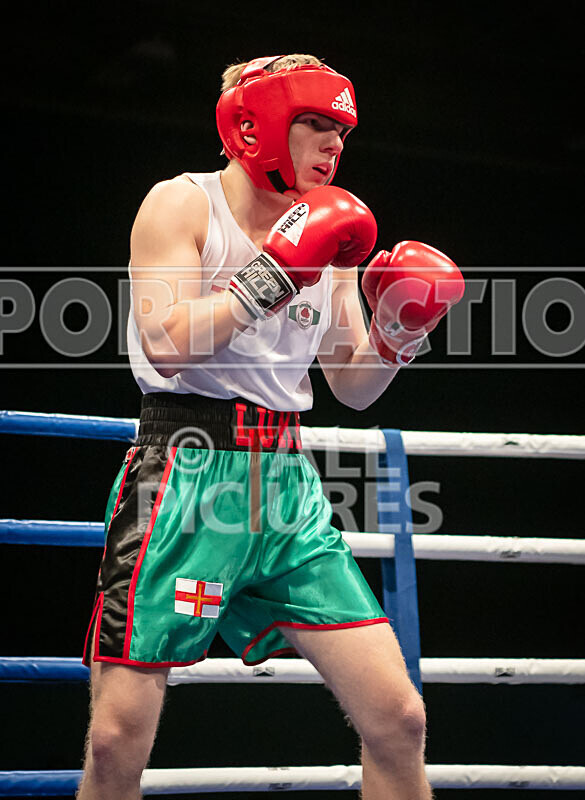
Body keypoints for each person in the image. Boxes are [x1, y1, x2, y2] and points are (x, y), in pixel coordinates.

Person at [77, 54, 464, 799]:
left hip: (286, 488)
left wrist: (398, 331)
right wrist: (276, 271)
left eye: (340, 131)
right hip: (184, 472)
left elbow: (352, 386)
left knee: (398, 716)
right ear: (254, 127)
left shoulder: (337, 233)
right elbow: (165, 338)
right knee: (115, 736)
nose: (332, 146)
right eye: (314, 125)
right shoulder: (180, 205)